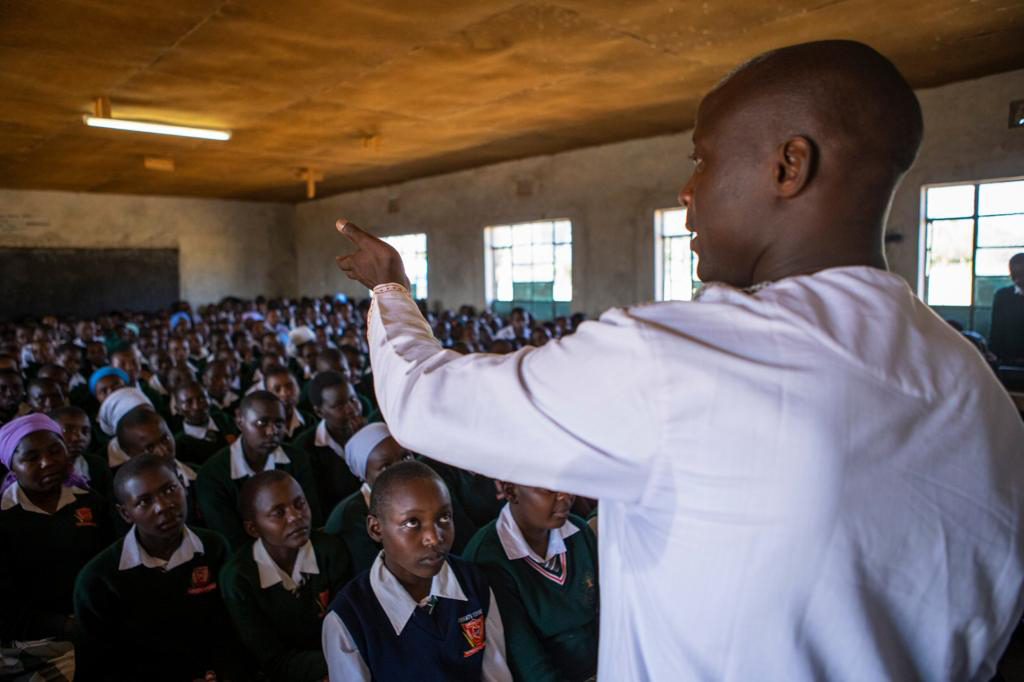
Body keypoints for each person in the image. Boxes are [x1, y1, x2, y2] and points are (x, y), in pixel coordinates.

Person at [334, 40, 1024, 680]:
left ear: (789, 166)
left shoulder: (684, 359)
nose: (687, 191)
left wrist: (389, 286)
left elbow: (426, 399)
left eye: (703, 158)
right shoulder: (977, 392)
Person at [322, 460, 512, 681]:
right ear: (376, 529)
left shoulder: (473, 582)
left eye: (444, 517)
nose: (434, 537)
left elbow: (496, 675)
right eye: (412, 523)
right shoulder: (350, 619)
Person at [74, 454, 242, 681]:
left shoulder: (214, 548)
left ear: (183, 486)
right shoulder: (99, 579)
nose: (164, 506)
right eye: (144, 501)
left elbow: (233, 630)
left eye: (170, 489)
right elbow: (98, 666)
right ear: (125, 513)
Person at [220, 471, 352, 682]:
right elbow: (271, 657)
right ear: (253, 528)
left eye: (299, 503)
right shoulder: (238, 578)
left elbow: (347, 627)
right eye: (278, 512)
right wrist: (333, 667)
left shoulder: (329, 550)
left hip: (344, 662)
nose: (295, 516)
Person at [463, 483, 599, 682]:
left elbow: (609, 617)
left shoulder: (579, 531)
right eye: (550, 489)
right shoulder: (488, 559)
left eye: (568, 484)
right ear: (511, 491)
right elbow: (530, 665)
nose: (566, 496)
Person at [0, 414, 111, 643]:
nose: (47, 462)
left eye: (54, 451)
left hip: (99, 619)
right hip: (34, 637)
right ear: (12, 466)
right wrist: (68, 625)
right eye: (32, 457)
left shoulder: (90, 501)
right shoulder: (4, 518)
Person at [196, 391, 321, 548]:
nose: (272, 431)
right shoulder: (212, 475)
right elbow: (231, 539)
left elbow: (312, 517)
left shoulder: (296, 458)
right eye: (262, 423)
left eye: (279, 423)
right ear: (240, 422)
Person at [323, 422, 412, 575]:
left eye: (405, 457)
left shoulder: (423, 493)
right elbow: (376, 576)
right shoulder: (352, 516)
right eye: (385, 467)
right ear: (364, 475)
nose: (402, 471)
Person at [294, 371, 364, 514]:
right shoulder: (305, 447)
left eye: (353, 399)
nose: (351, 409)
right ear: (319, 412)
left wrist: (363, 443)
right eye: (339, 406)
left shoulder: (371, 432)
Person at [48, 405, 113, 500]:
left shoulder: (97, 465)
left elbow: (109, 503)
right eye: (66, 430)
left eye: (85, 431)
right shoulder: (43, 469)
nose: (78, 438)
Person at [172, 380, 236, 467]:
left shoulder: (224, 419)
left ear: (209, 399)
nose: (197, 406)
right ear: (178, 409)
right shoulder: (180, 445)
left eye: (202, 398)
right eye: (189, 402)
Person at [989, 252, 1024, 364]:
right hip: (1007, 359)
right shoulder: (1002, 296)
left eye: (1020, 273)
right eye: (1013, 273)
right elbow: (996, 329)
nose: (1015, 277)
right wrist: (994, 356)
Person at [264, 365, 314, 441]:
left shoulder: (309, 420)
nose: (285, 393)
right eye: (277, 389)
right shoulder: (264, 428)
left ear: (298, 387)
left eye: (290, 386)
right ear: (268, 395)